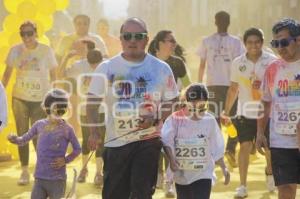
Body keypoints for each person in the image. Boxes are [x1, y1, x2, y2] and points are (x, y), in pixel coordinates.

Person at [86, 17, 178, 199]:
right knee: (114, 194)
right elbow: (92, 102)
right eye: (127, 36)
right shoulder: (107, 68)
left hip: (148, 142)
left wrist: (156, 116)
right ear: (121, 39)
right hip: (116, 143)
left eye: (138, 36)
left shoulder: (161, 68)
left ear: (147, 39)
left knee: (141, 193)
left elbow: (172, 100)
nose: (132, 41)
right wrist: (94, 131)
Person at [221, 28, 277, 197]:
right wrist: (225, 111)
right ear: (245, 44)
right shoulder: (238, 62)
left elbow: (277, 88)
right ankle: (243, 185)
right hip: (244, 112)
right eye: (250, 42)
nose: (254, 45)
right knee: (244, 146)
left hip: (267, 113)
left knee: (269, 150)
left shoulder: (272, 61)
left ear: (262, 42)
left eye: (257, 41)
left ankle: (269, 171)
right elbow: (233, 88)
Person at [1, 21, 58, 185]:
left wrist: (55, 96)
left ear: (36, 33)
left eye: (29, 33)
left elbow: (54, 74)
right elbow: (6, 75)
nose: (26, 37)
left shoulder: (46, 50)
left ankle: (42, 169)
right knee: (22, 133)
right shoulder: (15, 50)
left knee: (38, 135)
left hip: (40, 99)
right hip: (20, 97)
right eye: (23, 34)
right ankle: (25, 170)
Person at [7, 88, 81, 199]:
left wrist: (65, 160)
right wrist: (15, 139)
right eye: (54, 110)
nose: (58, 114)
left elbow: (77, 149)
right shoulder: (39, 125)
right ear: (47, 109)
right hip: (40, 179)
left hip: (57, 180)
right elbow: (24, 139)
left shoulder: (67, 129)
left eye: (61, 111)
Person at [256, 18, 300, 199]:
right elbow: (265, 102)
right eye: (275, 43)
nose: (279, 48)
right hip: (280, 140)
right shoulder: (272, 69)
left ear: (298, 40)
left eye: (284, 42)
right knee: (286, 189)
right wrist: (259, 132)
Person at [161, 83, 230, 199]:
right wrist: (172, 160)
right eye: (194, 102)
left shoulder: (210, 120)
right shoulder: (175, 119)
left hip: (203, 174)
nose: (197, 105)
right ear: (186, 101)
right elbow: (166, 141)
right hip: (181, 174)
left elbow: (216, 146)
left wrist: (224, 168)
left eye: (201, 102)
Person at [197, 11, 245, 168]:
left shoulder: (231, 42)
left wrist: (199, 85)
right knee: (231, 119)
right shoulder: (230, 41)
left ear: (215, 22)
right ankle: (227, 150)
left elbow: (202, 65)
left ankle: (222, 152)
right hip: (227, 86)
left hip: (219, 86)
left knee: (218, 120)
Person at [148, 30, 191, 197]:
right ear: (159, 43)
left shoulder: (177, 63)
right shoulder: (148, 61)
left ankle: (169, 182)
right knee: (152, 143)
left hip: (173, 109)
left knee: (170, 144)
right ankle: (155, 176)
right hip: (150, 110)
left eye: (174, 41)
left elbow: (188, 85)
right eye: (169, 41)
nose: (173, 44)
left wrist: (183, 101)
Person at [56, 14, 108, 134]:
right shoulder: (66, 39)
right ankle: (72, 137)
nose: (82, 26)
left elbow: (105, 58)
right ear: (74, 25)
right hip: (72, 77)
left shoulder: (97, 39)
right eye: (79, 23)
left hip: (91, 77)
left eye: (85, 23)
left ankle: (93, 138)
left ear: (89, 25)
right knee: (73, 109)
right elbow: (57, 60)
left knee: (92, 108)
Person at [59, 48, 104, 185]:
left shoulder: (106, 65)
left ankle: (99, 173)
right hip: (84, 109)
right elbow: (61, 74)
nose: (95, 67)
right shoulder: (80, 65)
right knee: (86, 140)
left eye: (97, 64)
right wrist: (66, 57)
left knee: (100, 141)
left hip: (102, 109)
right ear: (87, 60)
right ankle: (84, 169)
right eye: (92, 64)